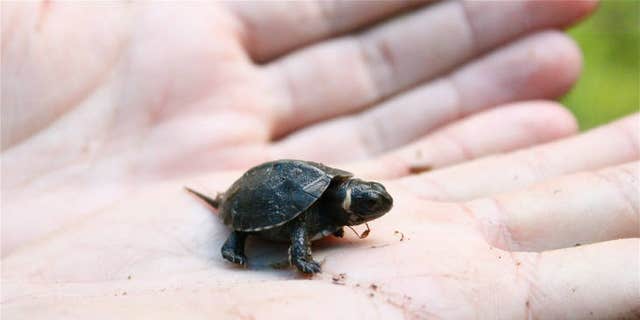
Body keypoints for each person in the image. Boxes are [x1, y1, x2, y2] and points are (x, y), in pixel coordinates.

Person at [2, 1, 638, 318]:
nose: (371, 207)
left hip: (290, 185)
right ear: (345, 201)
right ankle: (234, 242)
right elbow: (300, 225)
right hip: (254, 198)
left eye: (371, 201)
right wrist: (296, 256)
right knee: (240, 230)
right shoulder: (311, 213)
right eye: (367, 204)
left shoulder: (341, 193)